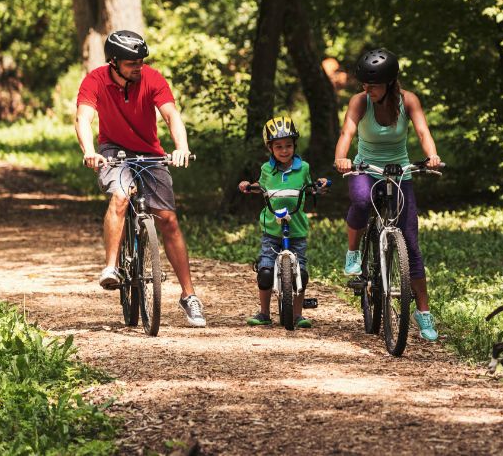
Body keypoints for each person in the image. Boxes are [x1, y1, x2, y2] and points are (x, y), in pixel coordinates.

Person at [75, 30, 206, 328]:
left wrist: (181, 148)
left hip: (150, 152)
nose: (139, 67)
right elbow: (83, 118)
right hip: (111, 152)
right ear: (114, 62)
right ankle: (111, 268)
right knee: (120, 196)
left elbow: (172, 116)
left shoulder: (153, 79)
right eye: (132, 62)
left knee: (168, 219)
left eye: (141, 61)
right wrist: (90, 151)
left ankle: (189, 296)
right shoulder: (95, 80)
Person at [333, 48, 443, 341]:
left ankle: (423, 313)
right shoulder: (360, 102)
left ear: (390, 83)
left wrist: (431, 156)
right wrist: (342, 158)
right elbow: (347, 133)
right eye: (364, 85)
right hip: (365, 168)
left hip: (399, 172)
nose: (366, 90)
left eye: (373, 86)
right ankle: (353, 254)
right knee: (359, 200)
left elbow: (422, 132)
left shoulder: (408, 101)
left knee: (411, 242)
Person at [238, 114, 328, 329]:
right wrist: (248, 186)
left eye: (288, 145)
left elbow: (311, 185)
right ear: (270, 148)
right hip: (272, 229)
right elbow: (260, 185)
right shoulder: (267, 169)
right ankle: (264, 313)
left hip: (296, 229)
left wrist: (320, 185)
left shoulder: (303, 167)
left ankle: (297, 314)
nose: (285, 150)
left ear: (295, 145)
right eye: (279, 146)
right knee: (266, 272)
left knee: (301, 273)